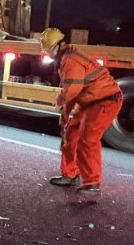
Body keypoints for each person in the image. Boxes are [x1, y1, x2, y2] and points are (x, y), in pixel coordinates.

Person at [40, 28, 123, 195]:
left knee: (88, 139)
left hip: (105, 100)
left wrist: (60, 102)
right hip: (90, 101)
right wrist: (65, 114)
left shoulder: (69, 60)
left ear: (55, 46)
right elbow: (72, 90)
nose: (45, 53)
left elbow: (72, 90)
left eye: (46, 49)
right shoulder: (65, 58)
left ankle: (93, 183)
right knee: (71, 134)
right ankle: (70, 175)